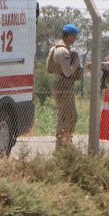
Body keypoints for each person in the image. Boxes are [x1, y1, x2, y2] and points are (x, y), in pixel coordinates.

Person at [47, 24, 84, 152]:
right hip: (64, 86)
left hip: (61, 86)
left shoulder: (57, 48)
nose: (75, 39)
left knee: (64, 116)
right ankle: (65, 142)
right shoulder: (63, 51)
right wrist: (76, 61)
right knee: (71, 116)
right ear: (69, 36)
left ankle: (62, 146)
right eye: (74, 36)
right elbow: (68, 72)